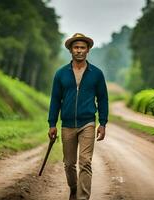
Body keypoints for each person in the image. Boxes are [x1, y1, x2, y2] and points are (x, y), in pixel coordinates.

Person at [48, 33, 109, 200]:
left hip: (87, 123)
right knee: (69, 164)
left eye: (82, 47)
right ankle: (74, 189)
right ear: (70, 50)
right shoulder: (61, 74)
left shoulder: (96, 74)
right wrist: (52, 123)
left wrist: (102, 123)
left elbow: (103, 99)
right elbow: (55, 99)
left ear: (88, 50)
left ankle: (82, 198)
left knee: (85, 162)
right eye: (76, 47)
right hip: (67, 124)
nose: (79, 51)